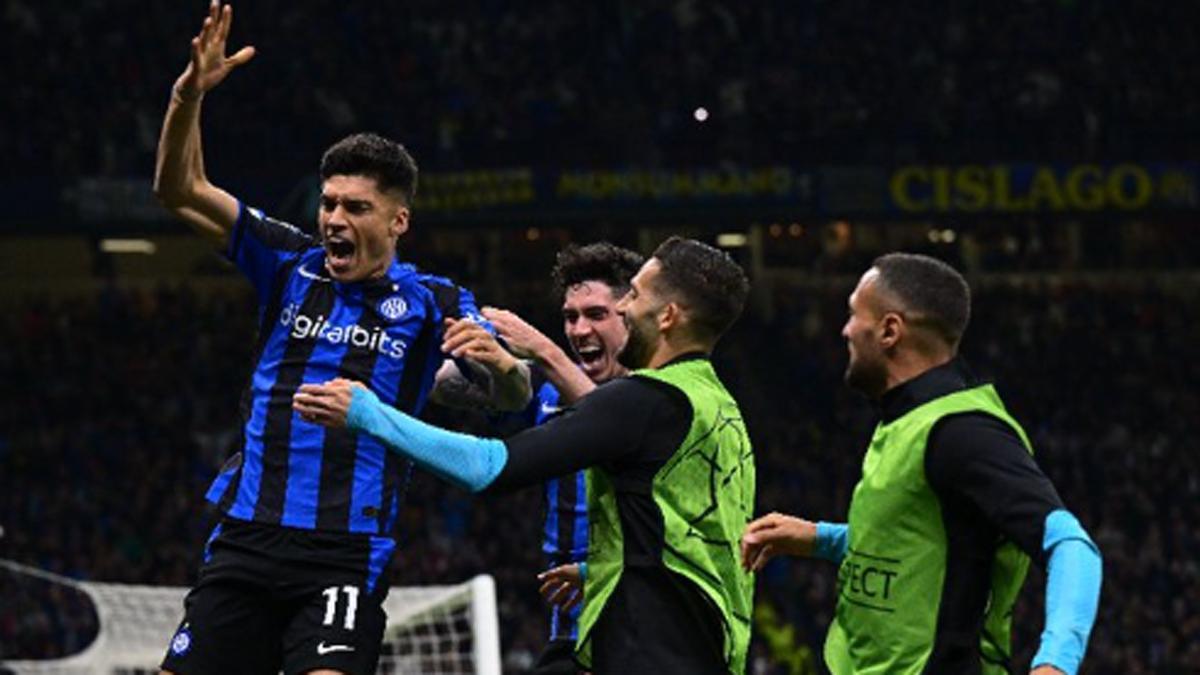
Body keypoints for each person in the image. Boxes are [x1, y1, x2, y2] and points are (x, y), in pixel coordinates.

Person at [151, 3, 530, 674]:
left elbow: (508, 397)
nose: (334, 219)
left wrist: (502, 365)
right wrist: (188, 96)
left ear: (398, 220)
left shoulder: (432, 301)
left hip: (344, 551)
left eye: (355, 207)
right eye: (329, 203)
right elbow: (179, 189)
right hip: (247, 535)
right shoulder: (286, 262)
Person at [295, 237, 757, 674]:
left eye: (631, 297)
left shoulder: (643, 401)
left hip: (651, 648)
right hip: (695, 643)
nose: (623, 309)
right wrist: (605, 567)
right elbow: (695, 528)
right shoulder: (717, 406)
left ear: (669, 316)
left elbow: (489, 468)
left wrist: (370, 415)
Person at [740, 253, 1102, 675]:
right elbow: (922, 547)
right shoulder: (909, 420)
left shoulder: (963, 432)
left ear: (890, 330)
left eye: (853, 314)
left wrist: (1055, 663)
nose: (845, 330)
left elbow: (1072, 547)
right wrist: (821, 538)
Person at [480, 242, 644, 674]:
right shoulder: (547, 387)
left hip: (644, 626)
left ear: (631, 315)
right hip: (571, 628)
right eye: (570, 316)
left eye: (596, 314)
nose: (579, 329)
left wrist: (540, 348)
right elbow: (445, 383)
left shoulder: (662, 391)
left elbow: (614, 429)